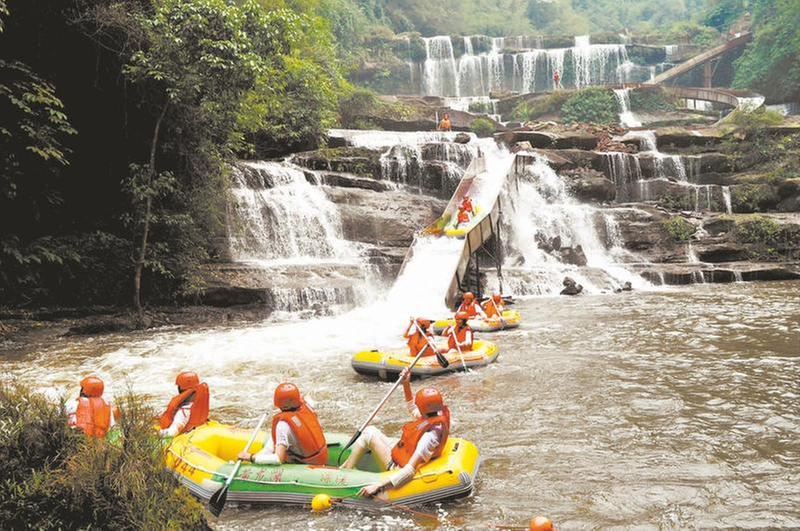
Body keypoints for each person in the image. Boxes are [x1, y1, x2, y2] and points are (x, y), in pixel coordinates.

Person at [341, 368, 450, 497]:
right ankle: (346, 466)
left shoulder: (428, 438)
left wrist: (378, 486)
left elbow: (409, 471)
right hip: (402, 453)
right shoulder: (434, 415)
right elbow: (412, 409)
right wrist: (406, 383)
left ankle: (345, 473)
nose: (417, 407)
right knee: (370, 430)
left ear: (423, 408)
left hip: (396, 466)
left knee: (368, 435)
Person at [238, 383, 328, 465]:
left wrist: (250, 457)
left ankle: (259, 457)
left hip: (305, 463)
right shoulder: (307, 406)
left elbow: (278, 459)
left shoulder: (282, 425)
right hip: (320, 457)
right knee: (273, 444)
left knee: (278, 451)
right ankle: (262, 454)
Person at [158, 371, 209, 437]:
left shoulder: (183, 411)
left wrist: (155, 433)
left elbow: (172, 433)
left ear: (180, 389)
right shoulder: (198, 405)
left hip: (185, 436)